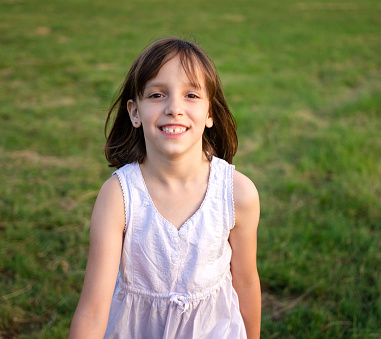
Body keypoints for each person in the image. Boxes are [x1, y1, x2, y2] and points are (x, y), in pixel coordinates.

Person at [69, 37, 261, 339]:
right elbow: (93, 311)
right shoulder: (119, 196)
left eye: (192, 96)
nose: (174, 108)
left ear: (210, 112)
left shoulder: (237, 193)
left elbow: (246, 283)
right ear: (135, 112)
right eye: (158, 94)